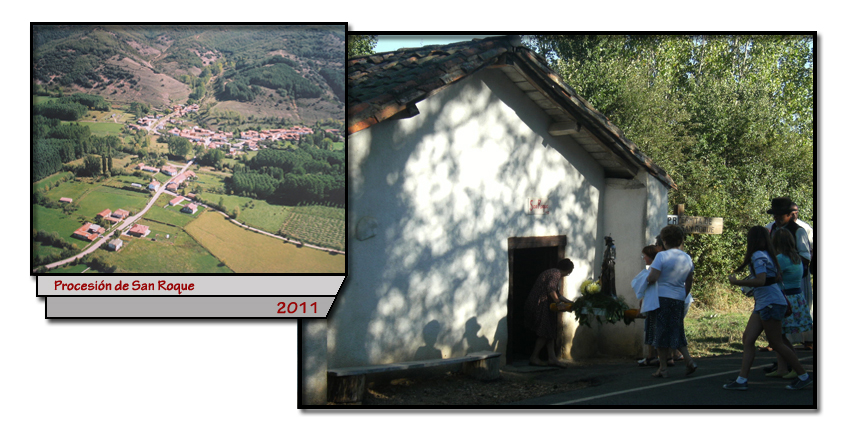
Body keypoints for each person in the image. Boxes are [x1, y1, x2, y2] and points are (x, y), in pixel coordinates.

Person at [724, 226, 812, 390]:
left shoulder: (758, 256)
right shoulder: (768, 255)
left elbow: (760, 280)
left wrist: (738, 282)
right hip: (766, 302)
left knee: (776, 342)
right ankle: (741, 380)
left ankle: (803, 375)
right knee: (748, 339)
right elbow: (771, 278)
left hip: (770, 303)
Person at [645, 225, 698, 377]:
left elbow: (653, 277)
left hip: (661, 298)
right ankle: (689, 361)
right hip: (678, 298)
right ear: (680, 241)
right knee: (676, 330)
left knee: (660, 332)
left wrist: (645, 281)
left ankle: (663, 368)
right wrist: (682, 295)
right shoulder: (686, 257)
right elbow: (689, 280)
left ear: (665, 240)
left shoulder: (662, 256)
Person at [766, 228, 814, 377]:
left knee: (779, 337)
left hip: (784, 298)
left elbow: (772, 276)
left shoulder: (781, 258)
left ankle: (794, 367)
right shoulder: (797, 258)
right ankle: (782, 367)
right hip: (796, 297)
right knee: (781, 335)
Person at [767, 198, 813, 350]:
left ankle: (806, 341)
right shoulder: (771, 228)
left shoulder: (799, 230)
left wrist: (788, 264)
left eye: (781, 215)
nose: (777, 218)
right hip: (778, 278)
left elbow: (805, 256)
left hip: (795, 277)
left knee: (795, 311)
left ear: (789, 215)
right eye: (775, 215)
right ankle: (782, 351)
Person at [524, 258, 575, 368]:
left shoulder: (551, 272)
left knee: (550, 332)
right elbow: (551, 290)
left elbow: (557, 293)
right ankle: (534, 357)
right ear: (568, 270)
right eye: (569, 272)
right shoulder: (556, 273)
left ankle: (552, 358)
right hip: (540, 305)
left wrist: (570, 302)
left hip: (542, 305)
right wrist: (558, 303)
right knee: (544, 331)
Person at [633, 245, 660, 367]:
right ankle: (653, 355)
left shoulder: (655, 267)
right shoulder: (653, 267)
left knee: (651, 328)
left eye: (645, 256)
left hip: (653, 302)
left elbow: (650, 282)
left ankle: (652, 356)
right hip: (652, 301)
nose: (644, 258)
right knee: (650, 327)